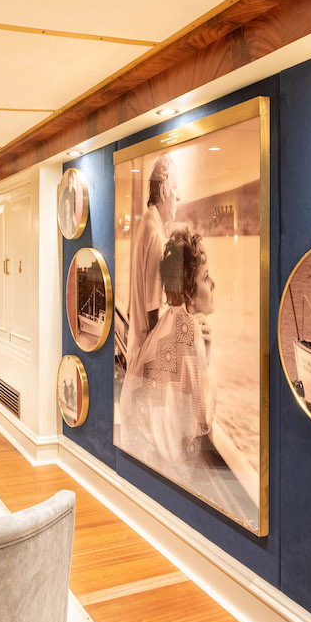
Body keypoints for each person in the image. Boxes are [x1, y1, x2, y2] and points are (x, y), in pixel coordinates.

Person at [119, 228, 217, 470]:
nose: (213, 284)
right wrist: (207, 352)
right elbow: (202, 418)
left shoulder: (169, 320)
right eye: (206, 278)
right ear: (189, 292)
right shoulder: (188, 329)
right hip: (154, 466)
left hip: (133, 455)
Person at [126, 154, 177, 363]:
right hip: (146, 360)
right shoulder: (155, 233)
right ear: (163, 190)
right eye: (175, 187)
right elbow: (153, 312)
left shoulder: (147, 222)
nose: (179, 196)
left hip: (137, 352)